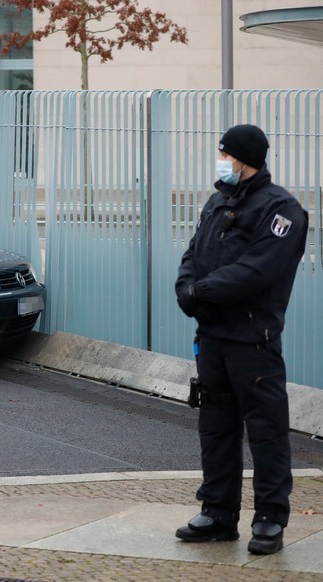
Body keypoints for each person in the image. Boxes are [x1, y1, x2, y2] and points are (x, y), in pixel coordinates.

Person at [174, 124, 308, 555]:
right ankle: (217, 512)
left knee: (266, 432)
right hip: (212, 337)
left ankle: (269, 519)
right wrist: (186, 288)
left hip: (252, 340)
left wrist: (201, 292)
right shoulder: (219, 200)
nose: (222, 160)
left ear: (245, 157)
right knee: (216, 427)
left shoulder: (282, 209)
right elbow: (192, 254)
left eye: (226, 154)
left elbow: (257, 270)